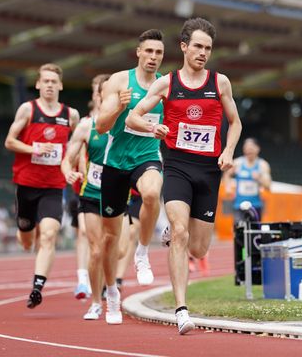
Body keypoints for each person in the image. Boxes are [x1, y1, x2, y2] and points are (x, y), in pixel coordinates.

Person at [126, 17, 242, 335]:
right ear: (184, 46)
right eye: (198, 46)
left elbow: (236, 123)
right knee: (179, 232)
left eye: (208, 48)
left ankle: (176, 239)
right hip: (177, 166)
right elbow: (133, 116)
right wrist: (154, 126)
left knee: (200, 248)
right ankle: (181, 309)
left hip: (208, 170)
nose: (203, 52)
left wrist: (229, 151)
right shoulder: (166, 83)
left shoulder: (220, 83)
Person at [95, 29, 165, 325]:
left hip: (148, 156)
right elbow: (100, 126)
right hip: (115, 162)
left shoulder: (166, 85)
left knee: (151, 194)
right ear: (138, 52)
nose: (153, 57)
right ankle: (112, 294)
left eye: (158, 53)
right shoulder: (119, 81)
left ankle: (143, 252)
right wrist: (120, 107)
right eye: (148, 51)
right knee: (110, 239)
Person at [4, 63, 80, 308]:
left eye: (53, 81)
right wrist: (34, 148)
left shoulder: (71, 115)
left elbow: (79, 145)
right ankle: (27, 231)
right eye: (45, 81)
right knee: (27, 241)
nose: (49, 85)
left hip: (53, 186)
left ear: (59, 85)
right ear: (38, 84)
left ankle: (37, 287)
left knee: (49, 235)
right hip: (26, 184)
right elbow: (9, 141)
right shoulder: (28, 110)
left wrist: (75, 167)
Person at [61, 73, 110, 319]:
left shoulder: (128, 122)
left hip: (117, 194)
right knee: (96, 248)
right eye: (100, 92)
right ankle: (96, 301)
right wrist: (69, 171)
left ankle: (112, 291)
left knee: (114, 249)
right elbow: (67, 159)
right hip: (90, 192)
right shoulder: (85, 125)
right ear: (98, 96)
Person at [225, 137, 272, 221]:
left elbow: (268, 186)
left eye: (251, 148)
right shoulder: (237, 163)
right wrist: (228, 188)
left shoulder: (262, 165)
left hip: (255, 205)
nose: (249, 151)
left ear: (257, 149)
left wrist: (259, 178)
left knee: (255, 232)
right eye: (246, 148)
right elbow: (227, 175)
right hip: (239, 205)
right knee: (240, 231)